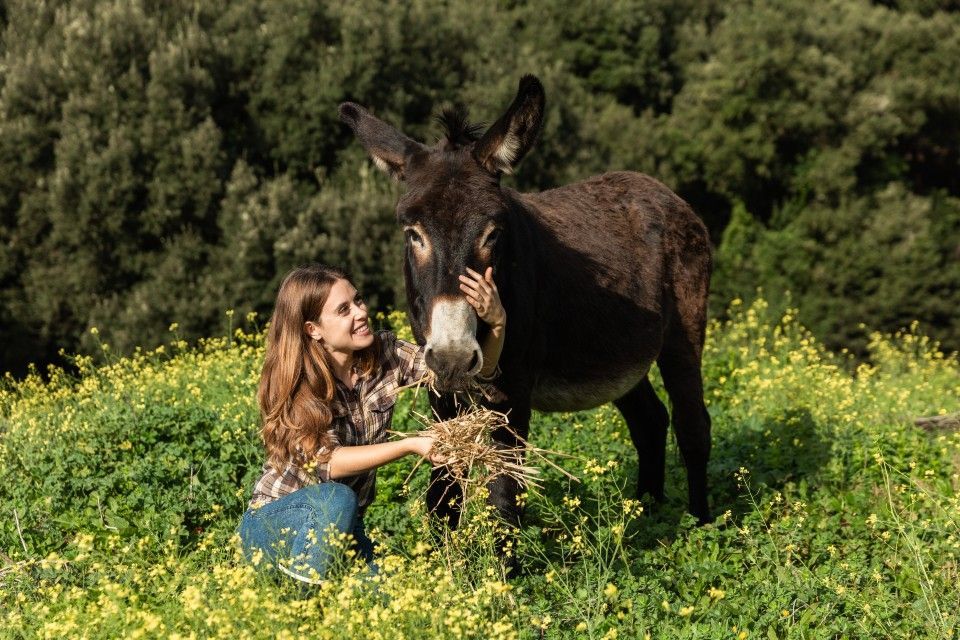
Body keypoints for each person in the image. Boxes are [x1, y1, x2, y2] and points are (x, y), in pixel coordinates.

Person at [237, 263, 506, 585]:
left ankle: (311, 597)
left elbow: (461, 377)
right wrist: (410, 445)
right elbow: (325, 462)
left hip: (345, 527)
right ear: (313, 329)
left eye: (358, 300)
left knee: (387, 597)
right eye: (343, 310)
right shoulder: (298, 382)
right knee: (335, 497)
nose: (360, 313)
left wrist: (497, 323)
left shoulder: (386, 354)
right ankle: (298, 608)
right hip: (275, 525)